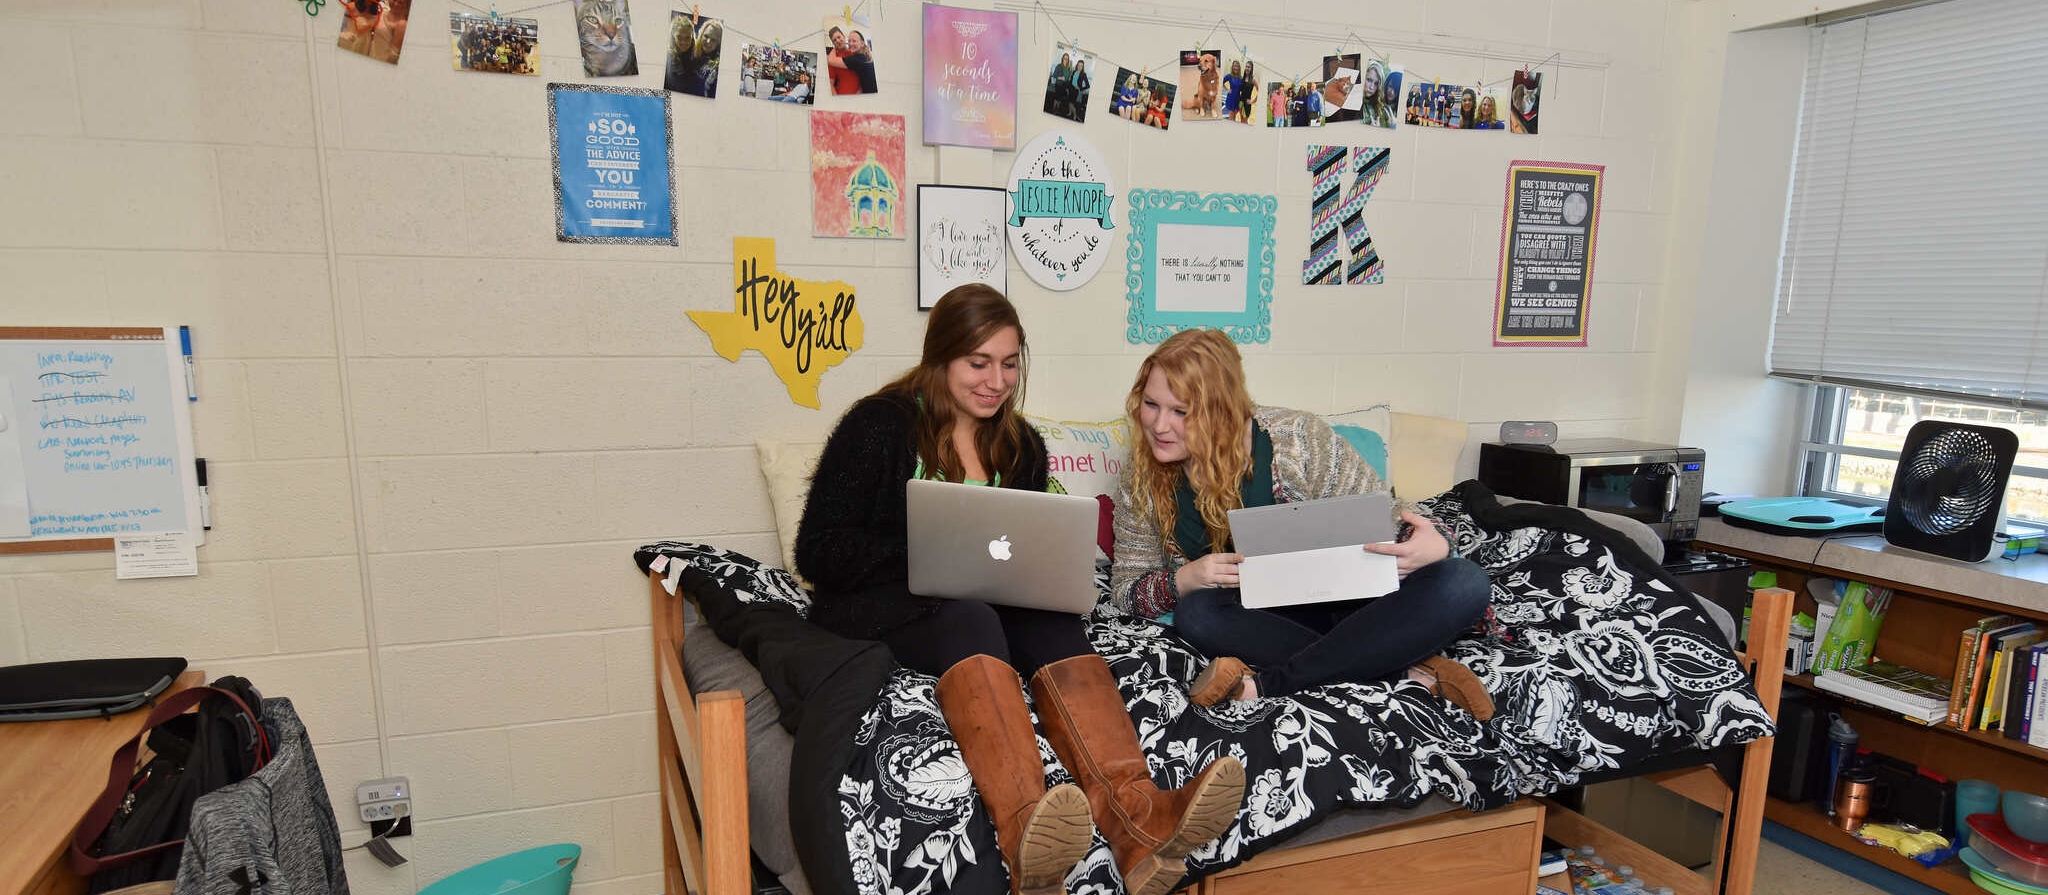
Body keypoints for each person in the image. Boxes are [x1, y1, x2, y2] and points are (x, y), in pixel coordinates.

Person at [796, 287, 1245, 895]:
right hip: (880, 604)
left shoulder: (1021, 444)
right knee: (971, 616)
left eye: (1009, 363)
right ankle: (1023, 827)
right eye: (978, 363)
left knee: (1054, 621)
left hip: (983, 598)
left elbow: (1018, 549)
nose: (996, 381)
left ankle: (1137, 820)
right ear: (941, 357)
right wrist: (929, 549)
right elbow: (818, 551)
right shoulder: (879, 426)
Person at [1107, 329, 1495, 718]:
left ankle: (1268, 684)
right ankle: (1399, 663)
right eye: (1151, 404)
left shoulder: (1298, 439)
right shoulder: (1141, 478)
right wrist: (1183, 580)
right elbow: (1126, 589)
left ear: (1221, 410)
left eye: (1181, 412)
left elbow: (1391, 518)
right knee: (1197, 614)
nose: (1158, 425)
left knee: (1465, 582)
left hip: (1352, 601)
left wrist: (1435, 542)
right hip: (1266, 618)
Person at [825, 27, 861, 95]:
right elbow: (830, 85)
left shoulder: (855, 53)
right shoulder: (833, 60)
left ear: (844, 37)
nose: (838, 41)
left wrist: (861, 90)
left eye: (839, 37)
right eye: (834, 40)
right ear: (833, 44)